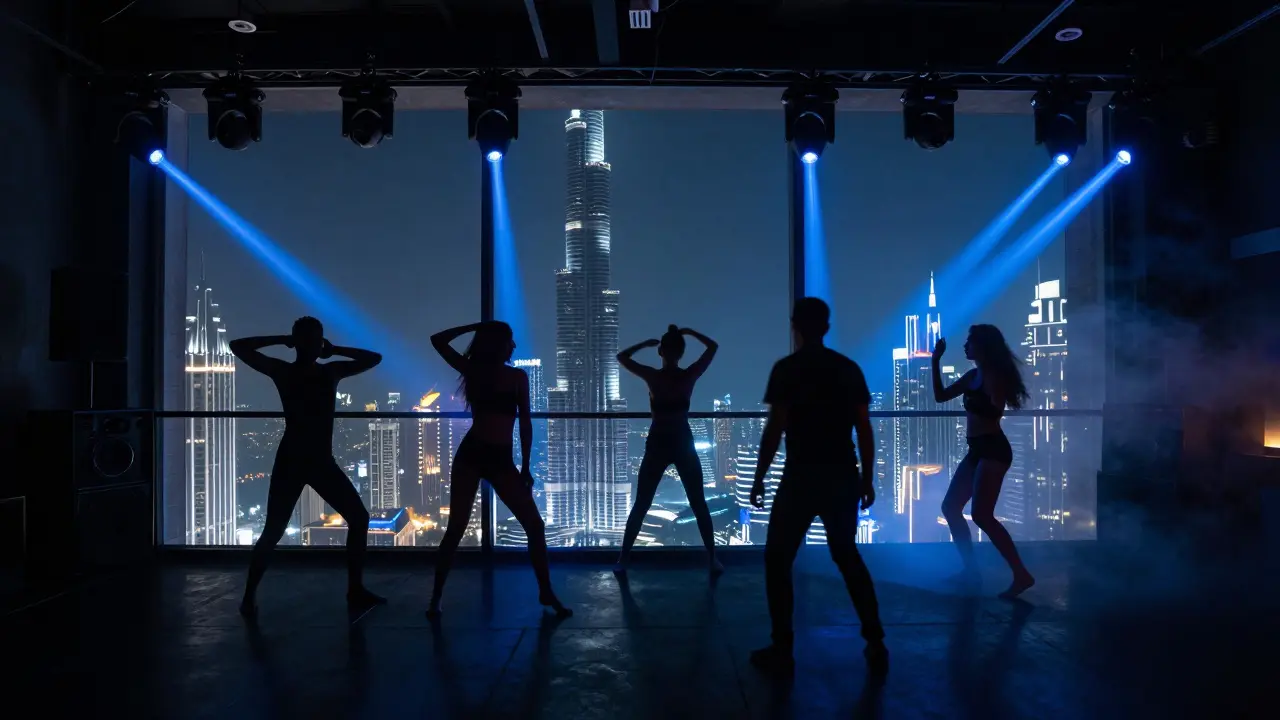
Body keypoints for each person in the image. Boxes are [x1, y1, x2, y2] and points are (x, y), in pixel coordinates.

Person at [748, 297, 888, 676]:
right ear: (826, 327)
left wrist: (759, 478)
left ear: (796, 325)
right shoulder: (847, 369)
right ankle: (875, 640)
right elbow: (863, 427)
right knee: (846, 555)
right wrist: (867, 477)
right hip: (842, 473)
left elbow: (774, 429)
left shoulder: (787, 370)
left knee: (777, 560)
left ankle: (782, 646)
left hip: (799, 476)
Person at [231, 317, 385, 617]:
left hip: (303, 459)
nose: (314, 346)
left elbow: (240, 347)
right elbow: (372, 358)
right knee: (277, 530)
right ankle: (352, 590)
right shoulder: (328, 372)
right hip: (309, 460)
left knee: (278, 530)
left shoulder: (286, 371)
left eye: (316, 340)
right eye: (312, 340)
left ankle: (249, 598)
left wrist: (283, 340)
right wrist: (333, 348)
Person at [428, 321, 571, 617]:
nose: (513, 346)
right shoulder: (481, 372)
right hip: (478, 455)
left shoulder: (512, 376)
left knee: (534, 525)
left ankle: (545, 591)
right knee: (456, 528)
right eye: (509, 340)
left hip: (495, 458)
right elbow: (437, 340)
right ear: (496, 344)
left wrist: (527, 467)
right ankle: (435, 598)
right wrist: (479, 325)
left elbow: (526, 423)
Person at [933, 325, 1036, 599]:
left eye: (970, 342)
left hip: (992, 449)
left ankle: (1021, 574)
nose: (965, 346)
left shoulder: (993, 377)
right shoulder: (973, 376)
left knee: (981, 514)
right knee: (951, 507)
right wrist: (935, 361)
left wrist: (975, 400)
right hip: (977, 449)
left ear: (983, 347)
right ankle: (971, 570)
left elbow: (993, 412)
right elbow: (940, 396)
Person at [614, 325, 723, 576]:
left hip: (660, 443)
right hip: (681, 442)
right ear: (681, 352)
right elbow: (713, 348)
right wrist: (691, 332)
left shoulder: (654, 376)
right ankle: (713, 559)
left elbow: (622, 358)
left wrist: (645, 344)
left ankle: (623, 559)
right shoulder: (688, 376)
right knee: (698, 503)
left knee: (642, 503)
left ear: (661, 351)